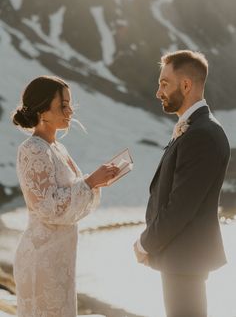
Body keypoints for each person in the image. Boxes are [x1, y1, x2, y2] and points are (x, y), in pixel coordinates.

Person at [12, 75, 120, 317]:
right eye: (63, 105)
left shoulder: (58, 149)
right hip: (41, 259)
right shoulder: (32, 150)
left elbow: (72, 204)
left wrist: (96, 183)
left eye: (70, 104)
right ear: (42, 109)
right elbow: (49, 208)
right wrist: (90, 181)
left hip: (60, 258)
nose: (70, 110)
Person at [134, 50, 230, 317]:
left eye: (164, 83)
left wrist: (145, 244)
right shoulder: (197, 129)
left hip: (185, 259)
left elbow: (181, 207)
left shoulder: (202, 135)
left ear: (186, 85)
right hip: (182, 259)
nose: (158, 92)